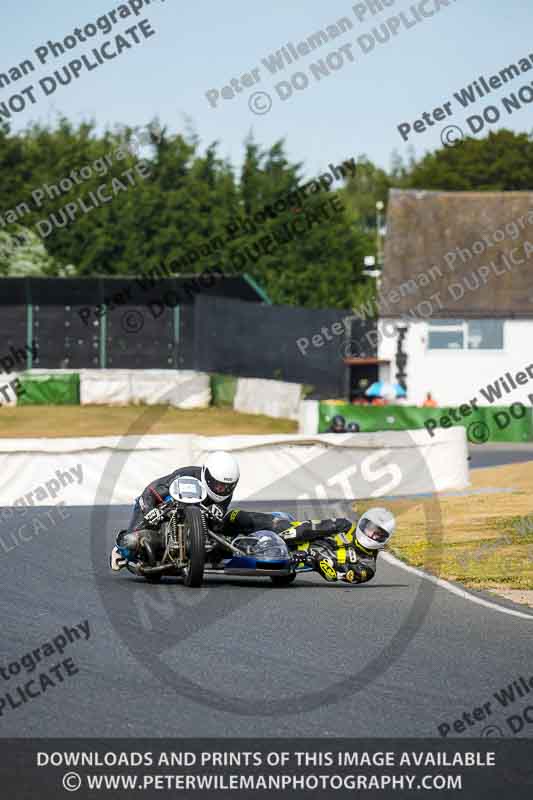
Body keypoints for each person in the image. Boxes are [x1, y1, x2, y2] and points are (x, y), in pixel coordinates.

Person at [109, 450, 240, 571]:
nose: (221, 489)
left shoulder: (226, 493)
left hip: (198, 522)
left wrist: (219, 511)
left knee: (222, 546)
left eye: (226, 486)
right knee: (131, 546)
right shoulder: (185, 475)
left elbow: (220, 514)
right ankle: (120, 549)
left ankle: (192, 552)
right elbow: (151, 491)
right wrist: (150, 510)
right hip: (163, 509)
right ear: (207, 476)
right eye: (217, 484)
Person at [221, 507, 395, 585]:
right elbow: (313, 526)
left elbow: (339, 576)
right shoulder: (345, 526)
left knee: (280, 569)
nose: (372, 535)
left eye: (378, 534)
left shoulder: (367, 567)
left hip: (301, 562)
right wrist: (286, 536)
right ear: (363, 523)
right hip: (296, 538)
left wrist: (316, 559)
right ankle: (224, 523)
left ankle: (247, 549)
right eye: (371, 528)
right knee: (275, 522)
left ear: (384, 538)